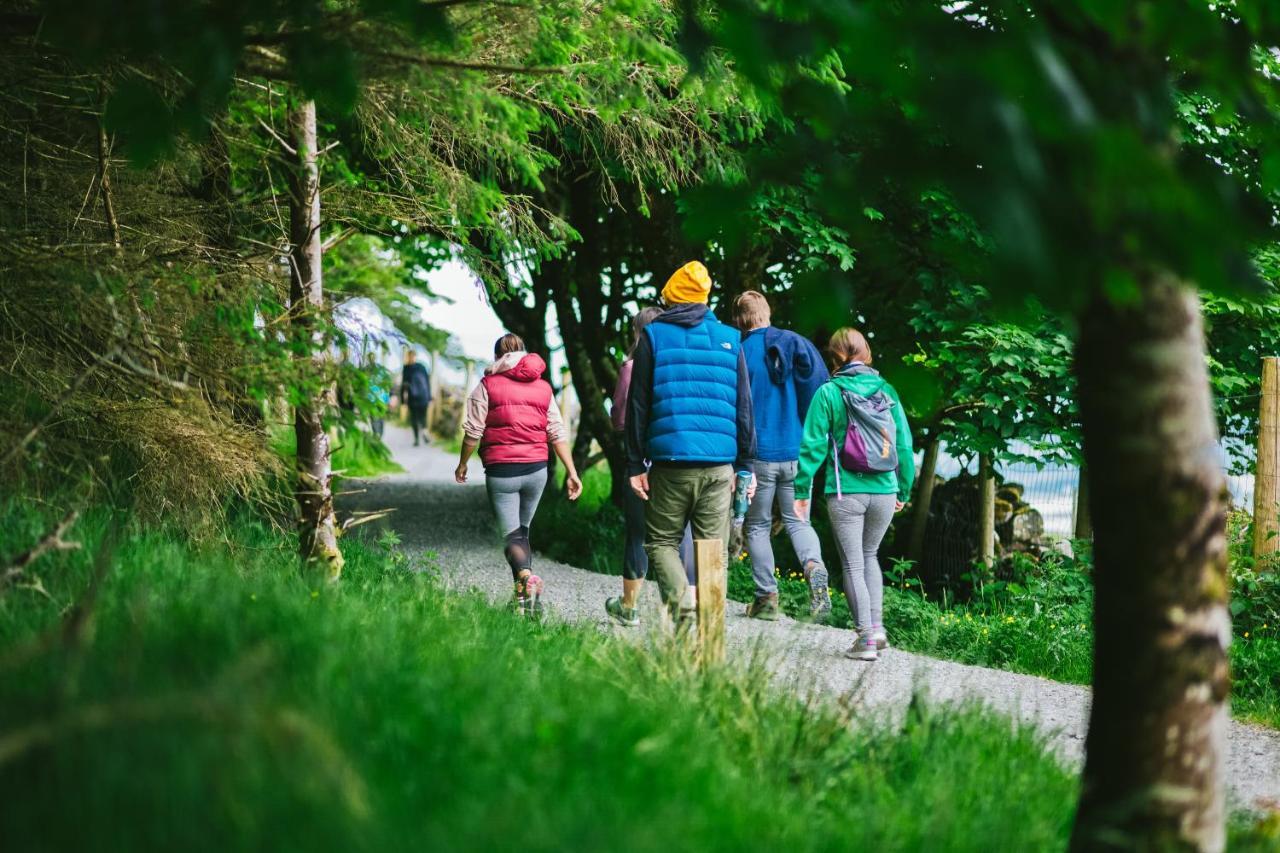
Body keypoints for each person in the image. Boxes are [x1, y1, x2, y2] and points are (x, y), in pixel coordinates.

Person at [625, 261, 756, 627]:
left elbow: (639, 405)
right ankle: (711, 640)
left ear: (669, 298)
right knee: (713, 553)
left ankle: (681, 603)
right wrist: (746, 465)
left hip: (670, 463)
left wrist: (635, 464)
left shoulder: (653, 336)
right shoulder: (731, 339)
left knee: (661, 541)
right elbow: (744, 408)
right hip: (718, 466)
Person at [794, 328, 914, 662]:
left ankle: (865, 641)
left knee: (852, 563)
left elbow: (813, 446)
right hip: (885, 490)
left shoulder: (829, 393)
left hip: (846, 492)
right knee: (870, 555)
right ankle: (876, 628)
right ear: (866, 354)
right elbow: (904, 444)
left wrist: (802, 489)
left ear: (834, 357)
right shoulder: (886, 390)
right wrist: (903, 487)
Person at [456, 333, 583, 615]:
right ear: (523, 353)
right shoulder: (544, 388)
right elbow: (557, 432)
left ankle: (526, 580)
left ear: (497, 356)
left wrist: (463, 463)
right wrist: (572, 472)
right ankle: (524, 603)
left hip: (502, 472)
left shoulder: (486, 385)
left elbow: (473, 432)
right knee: (521, 535)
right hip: (538, 470)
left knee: (511, 537)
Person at [734, 291, 832, 622]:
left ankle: (766, 599)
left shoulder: (739, 351)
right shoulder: (793, 348)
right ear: (767, 314)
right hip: (797, 453)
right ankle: (813, 566)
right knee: (797, 520)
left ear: (740, 320)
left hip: (758, 455)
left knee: (758, 525)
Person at [605, 307, 695, 627]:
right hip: (676, 456)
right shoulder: (678, 365)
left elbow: (619, 416)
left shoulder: (631, 366)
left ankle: (629, 607)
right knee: (680, 531)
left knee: (639, 533)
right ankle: (687, 603)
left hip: (641, 459)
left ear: (637, 332)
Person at [400, 350, 432, 446]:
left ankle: (417, 439)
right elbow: (427, 382)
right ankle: (423, 434)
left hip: (413, 397)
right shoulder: (421, 367)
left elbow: (404, 384)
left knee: (415, 418)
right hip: (422, 396)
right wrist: (429, 397)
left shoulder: (406, 368)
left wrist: (403, 400)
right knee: (422, 417)